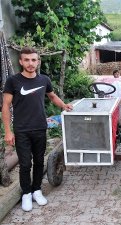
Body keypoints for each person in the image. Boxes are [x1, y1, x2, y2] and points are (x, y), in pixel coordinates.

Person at [1, 47, 73, 212]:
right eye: (27, 60)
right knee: (25, 164)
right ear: (21, 61)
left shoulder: (44, 80)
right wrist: (8, 131)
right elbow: (5, 106)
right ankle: (26, 193)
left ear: (38, 61)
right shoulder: (13, 81)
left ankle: (36, 190)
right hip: (22, 130)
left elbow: (52, 96)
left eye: (34, 60)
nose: (30, 63)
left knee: (40, 161)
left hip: (40, 127)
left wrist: (64, 105)